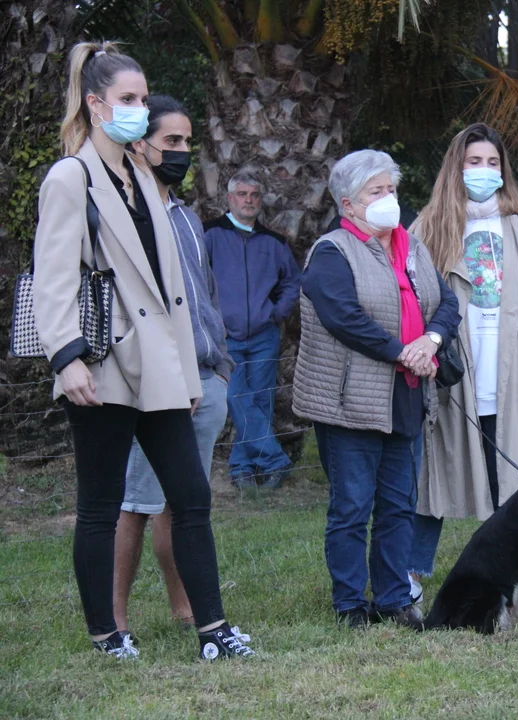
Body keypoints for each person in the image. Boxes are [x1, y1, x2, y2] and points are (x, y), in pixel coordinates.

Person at [33, 42, 252, 659]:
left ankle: (213, 630)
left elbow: (174, 289)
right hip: (101, 365)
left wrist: (187, 374)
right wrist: (66, 358)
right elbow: (52, 277)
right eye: (126, 98)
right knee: (100, 506)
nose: (137, 108)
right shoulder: (71, 177)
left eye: (142, 97)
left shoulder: (143, 179)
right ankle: (107, 634)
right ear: (95, 103)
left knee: (192, 498)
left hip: (161, 367)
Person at [293, 150, 460, 628]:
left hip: (406, 397)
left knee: (398, 506)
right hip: (351, 404)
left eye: (391, 189)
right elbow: (343, 318)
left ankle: (393, 599)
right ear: (348, 204)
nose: (389, 198)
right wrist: (401, 351)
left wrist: (430, 341)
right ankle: (350, 604)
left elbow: (446, 303)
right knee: (351, 508)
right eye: (376, 191)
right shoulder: (331, 252)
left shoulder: (412, 246)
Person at [407, 123, 518, 604]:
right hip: (455, 374)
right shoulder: (429, 226)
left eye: (492, 162)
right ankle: (409, 576)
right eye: (473, 162)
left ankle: (516, 575)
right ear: (456, 169)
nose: (484, 171)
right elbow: (411, 296)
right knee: (435, 478)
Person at [110, 95, 234, 635]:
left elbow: (205, 296)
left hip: (207, 379)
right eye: (172, 141)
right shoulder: (126, 215)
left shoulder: (186, 217)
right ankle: (112, 619)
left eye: (187, 141)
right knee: (135, 504)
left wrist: (221, 366)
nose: (182, 151)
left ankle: (184, 606)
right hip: (156, 386)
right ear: (141, 145)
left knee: (182, 504)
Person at [202, 172, 300, 489]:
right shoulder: (210, 235)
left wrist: (275, 313)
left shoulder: (273, 242)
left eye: (254, 195)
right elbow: (195, 279)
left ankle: (244, 468)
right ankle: (275, 460)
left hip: (263, 335)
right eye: (242, 194)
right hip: (224, 336)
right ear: (230, 198)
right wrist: (211, 319)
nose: (249, 200)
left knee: (259, 400)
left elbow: (292, 283)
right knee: (235, 397)